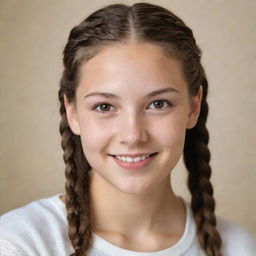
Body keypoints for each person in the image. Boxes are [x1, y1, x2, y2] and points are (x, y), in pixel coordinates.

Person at [0, 2, 255, 256]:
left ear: (193, 107)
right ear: (72, 112)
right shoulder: (19, 243)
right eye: (104, 107)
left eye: (158, 104)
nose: (133, 135)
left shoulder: (240, 247)